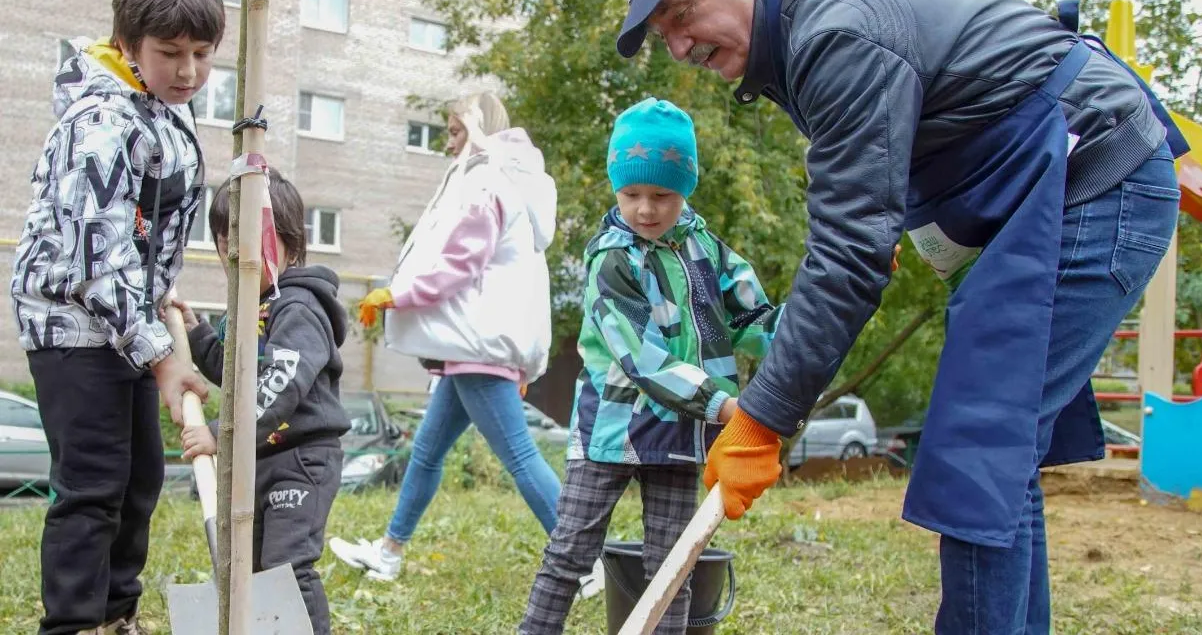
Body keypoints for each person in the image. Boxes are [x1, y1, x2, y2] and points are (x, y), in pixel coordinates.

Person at [611, 0, 1185, 633]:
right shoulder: (800, 34)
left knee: (981, 442)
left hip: (1095, 185)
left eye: (681, 13)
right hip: (1045, 197)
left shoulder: (834, 33)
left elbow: (848, 251)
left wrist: (761, 420)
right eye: (661, 33)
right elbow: (864, 221)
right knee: (998, 447)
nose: (679, 46)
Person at [8, 0, 223, 635]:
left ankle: (116, 615)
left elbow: (140, 225)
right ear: (128, 44)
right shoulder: (99, 122)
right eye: (170, 53)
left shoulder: (159, 105)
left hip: (128, 322)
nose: (188, 71)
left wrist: (163, 293)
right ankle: (73, 624)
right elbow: (95, 263)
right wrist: (164, 360)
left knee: (141, 480)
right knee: (94, 486)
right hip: (74, 326)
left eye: (201, 53)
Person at [519, 98, 784, 634]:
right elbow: (643, 359)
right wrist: (723, 404)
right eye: (631, 193)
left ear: (685, 187)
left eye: (661, 194)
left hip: (679, 435)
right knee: (570, 551)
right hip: (611, 432)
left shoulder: (708, 250)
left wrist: (823, 317)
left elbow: (758, 319)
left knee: (673, 564)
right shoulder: (610, 259)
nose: (645, 208)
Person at [327, 92, 563, 581]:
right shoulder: (508, 182)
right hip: (473, 349)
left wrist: (397, 295)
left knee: (520, 456)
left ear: (477, 130)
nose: (449, 144)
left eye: (455, 132)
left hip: (476, 349)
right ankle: (389, 554)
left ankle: (586, 562)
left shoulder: (485, 185)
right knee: (428, 453)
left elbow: (459, 263)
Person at [172, 170, 351, 635]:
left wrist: (218, 433)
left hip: (301, 460)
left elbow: (280, 382)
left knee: (287, 567)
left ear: (285, 239)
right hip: (259, 460)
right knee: (248, 569)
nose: (235, 256)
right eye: (224, 244)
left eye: (245, 241)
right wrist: (197, 332)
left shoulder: (299, 307)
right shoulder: (254, 307)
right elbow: (236, 374)